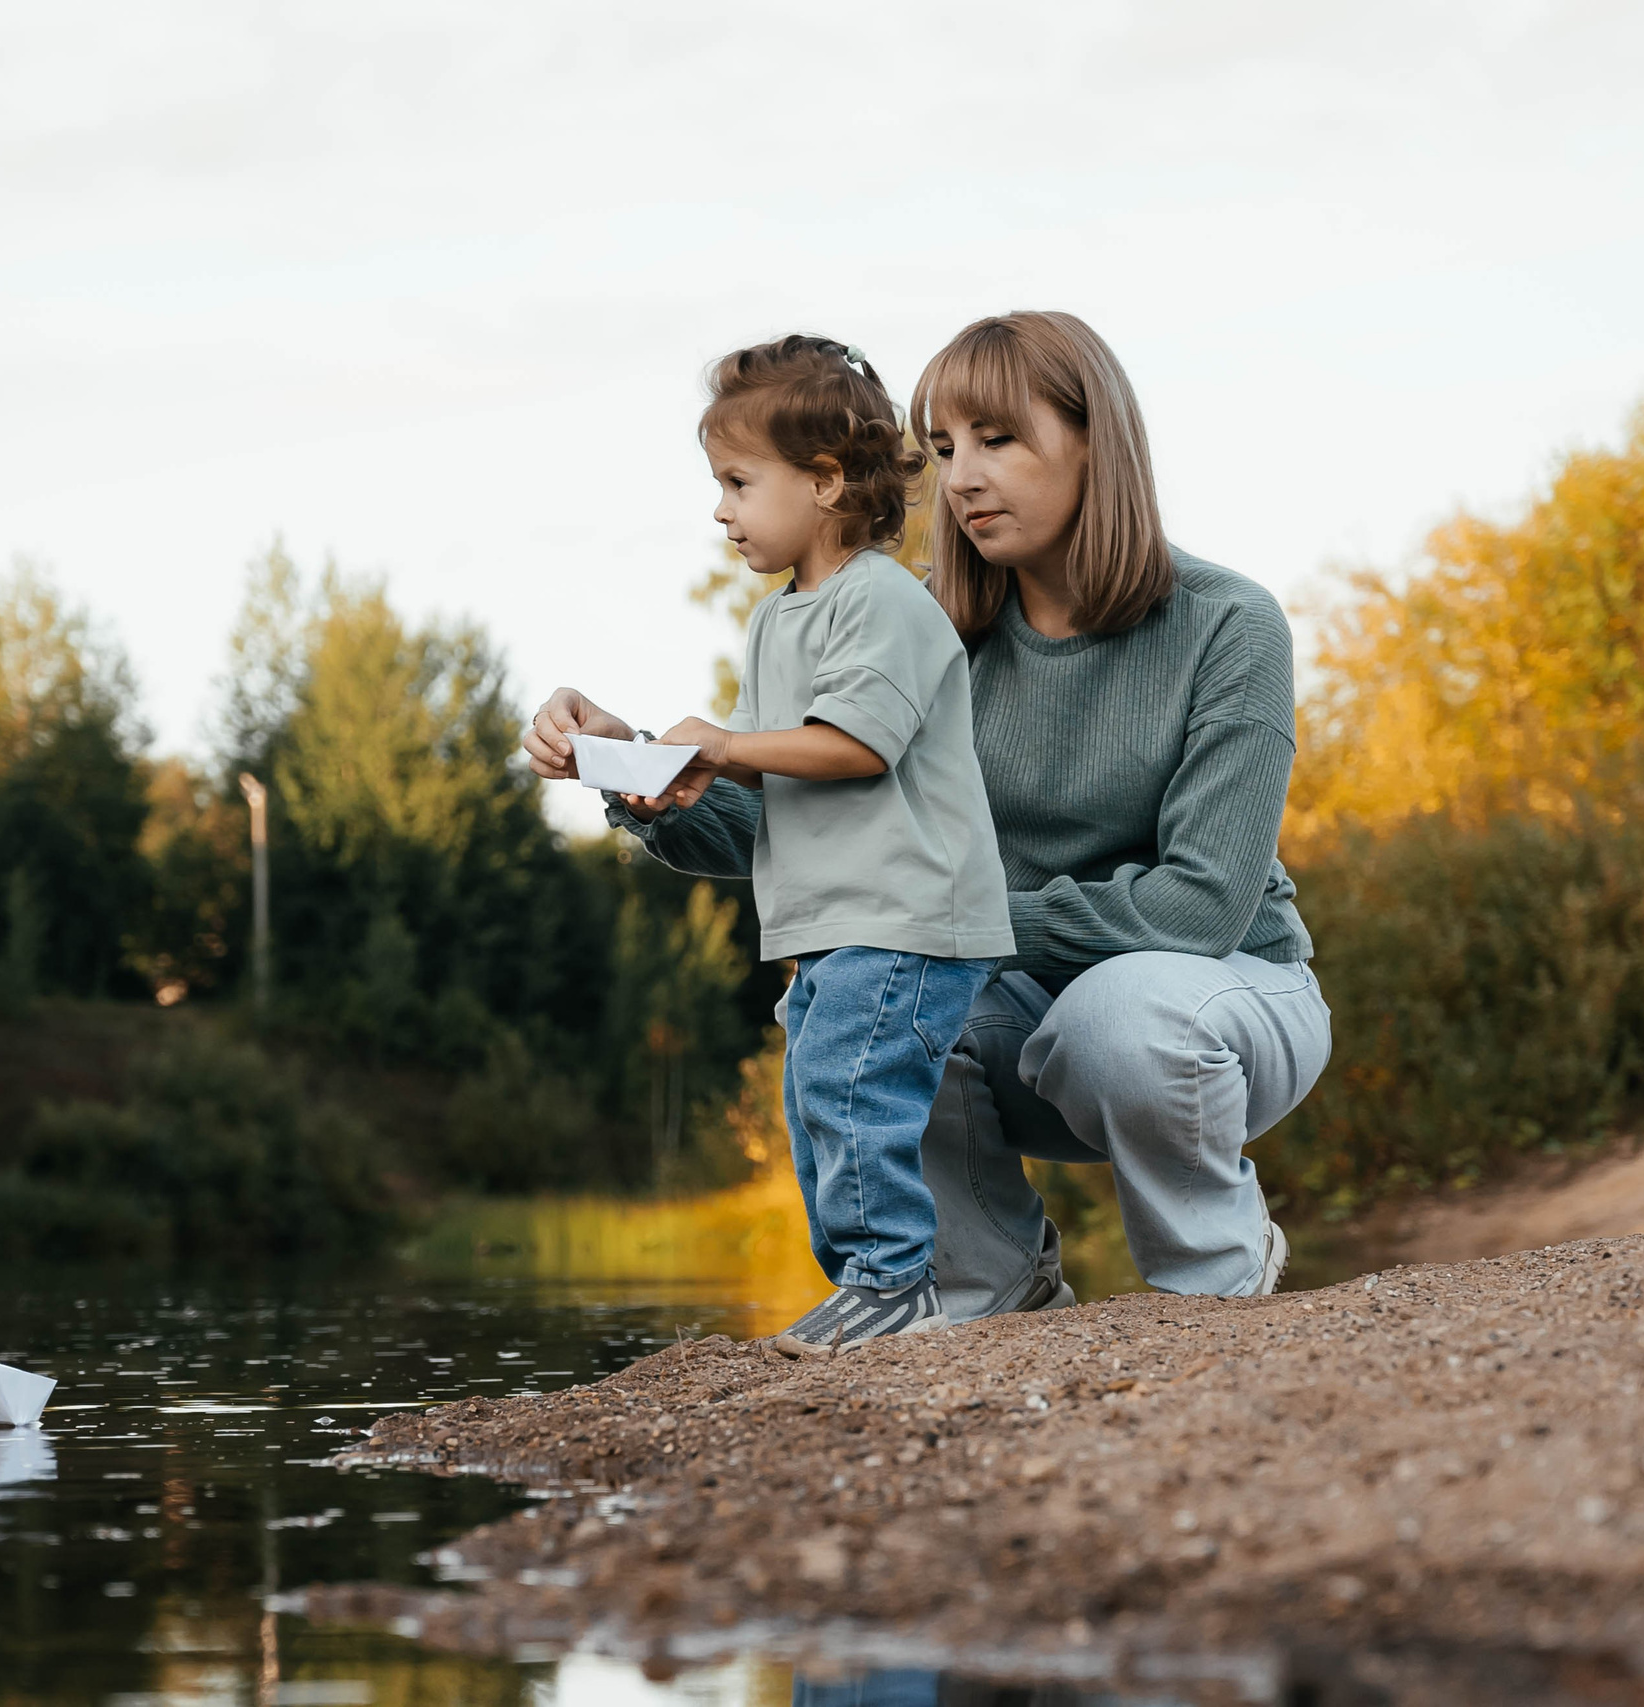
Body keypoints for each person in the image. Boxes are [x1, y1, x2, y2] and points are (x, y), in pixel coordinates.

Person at [526, 311, 1328, 1319]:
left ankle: (1214, 1269)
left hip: (1221, 998)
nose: (961, 480)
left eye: (997, 440)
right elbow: (804, 832)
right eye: (943, 450)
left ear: (1095, 443)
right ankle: (990, 1281)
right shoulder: (918, 627)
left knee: (1108, 1015)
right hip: (1020, 1005)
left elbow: (1200, 904)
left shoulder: (1227, 622)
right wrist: (631, 766)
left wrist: (941, 934)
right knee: (857, 1002)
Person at [549, 334, 1013, 1356]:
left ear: (825, 481)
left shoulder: (883, 601)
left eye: (737, 482)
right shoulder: (776, 621)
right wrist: (623, 764)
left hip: (903, 913)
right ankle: (871, 1285)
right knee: (819, 1104)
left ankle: (894, 1284)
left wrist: (719, 742)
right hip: (828, 923)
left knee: (853, 1090)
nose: (720, 509)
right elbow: (760, 773)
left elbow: (851, 746)